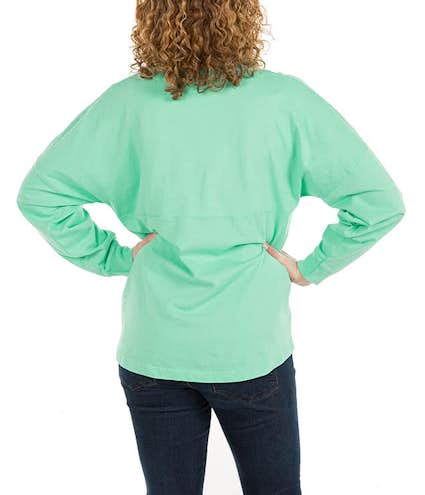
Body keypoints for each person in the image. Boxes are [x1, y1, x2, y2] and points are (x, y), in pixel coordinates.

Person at [16, 1, 406, 494]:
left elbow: (40, 195)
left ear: (151, 18)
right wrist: (311, 267)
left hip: (154, 347)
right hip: (250, 346)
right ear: (243, 16)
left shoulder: (126, 103)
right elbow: (379, 203)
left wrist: (115, 257)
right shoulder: (285, 101)